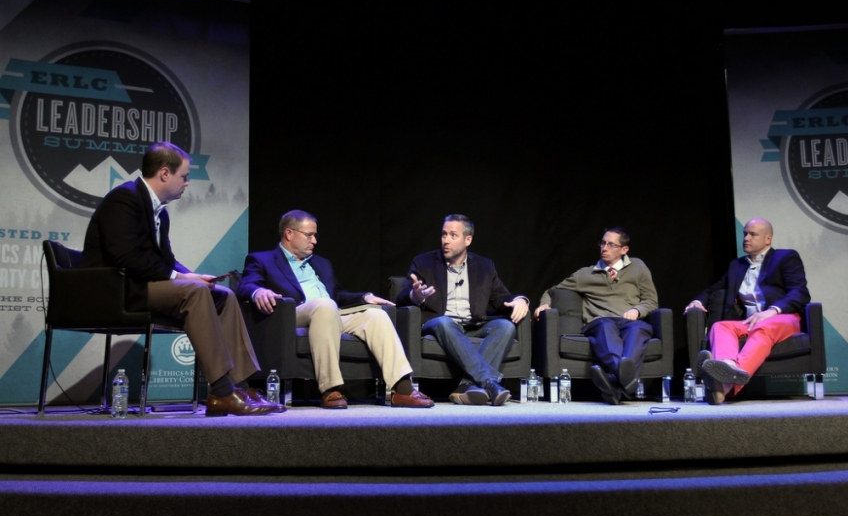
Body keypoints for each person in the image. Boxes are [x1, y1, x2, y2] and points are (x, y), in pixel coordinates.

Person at [82, 142, 280, 416]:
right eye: (184, 176)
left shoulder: (159, 210)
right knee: (195, 293)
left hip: (142, 286)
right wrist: (183, 280)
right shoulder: (124, 199)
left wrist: (191, 275)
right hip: (118, 289)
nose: (187, 183)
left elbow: (165, 260)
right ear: (164, 173)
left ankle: (239, 387)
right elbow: (125, 257)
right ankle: (221, 392)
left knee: (223, 295)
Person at [236, 210, 434, 409]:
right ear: (289, 233)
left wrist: (365, 297)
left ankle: (402, 388)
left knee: (376, 315)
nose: (314, 240)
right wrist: (258, 291)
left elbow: (337, 295)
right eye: (309, 235)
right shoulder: (262, 260)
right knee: (325, 305)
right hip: (291, 315)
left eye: (315, 235)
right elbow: (245, 286)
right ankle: (330, 389)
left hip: (329, 313)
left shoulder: (321, 263)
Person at [396, 214, 529, 406]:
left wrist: (520, 300)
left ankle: (467, 386)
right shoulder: (424, 263)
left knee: (505, 326)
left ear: (468, 240)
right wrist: (415, 296)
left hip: (472, 324)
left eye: (452, 235)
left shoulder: (484, 266)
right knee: (445, 322)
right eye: (443, 235)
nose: (446, 241)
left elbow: (500, 297)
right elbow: (401, 297)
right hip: (440, 323)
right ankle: (490, 382)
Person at [685, 218, 810, 404]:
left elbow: (800, 292)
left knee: (764, 328)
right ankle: (726, 367)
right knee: (720, 326)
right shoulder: (737, 266)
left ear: (768, 239)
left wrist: (773, 311)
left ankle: (726, 384)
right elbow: (714, 289)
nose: (746, 238)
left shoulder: (785, 257)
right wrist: (696, 301)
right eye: (745, 234)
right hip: (750, 320)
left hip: (782, 317)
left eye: (753, 234)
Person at [534, 227, 658, 405]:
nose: (604, 248)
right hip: (601, 322)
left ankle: (615, 385)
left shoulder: (638, 267)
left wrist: (637, 310)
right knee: (604, 325)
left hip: (629, 321)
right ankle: (628, 382)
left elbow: (651, 300)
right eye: (603, 243)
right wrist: (545, 303)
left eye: (611, 244)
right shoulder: (585, 274)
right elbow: (554, 290)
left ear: (624, 250)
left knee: (639, 328)